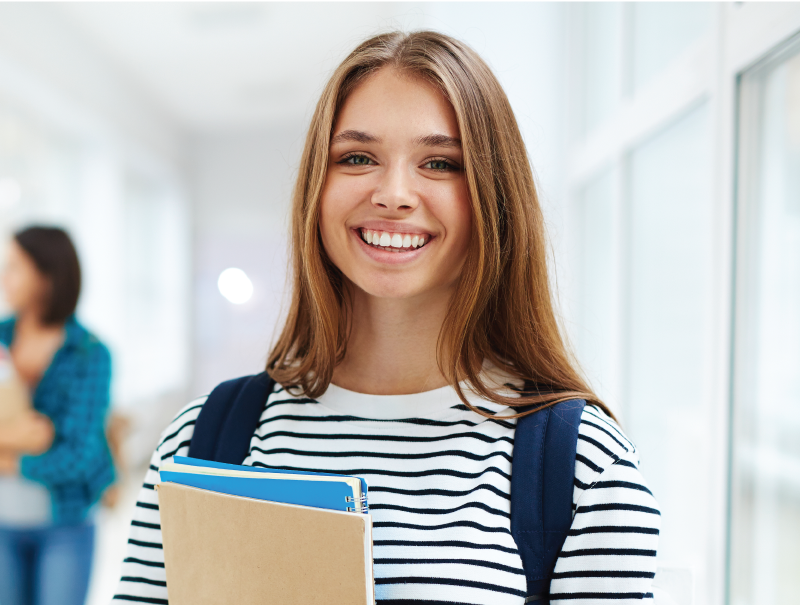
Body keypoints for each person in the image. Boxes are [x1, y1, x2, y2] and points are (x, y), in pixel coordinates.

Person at [114, 31, 660, 604]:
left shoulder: (585, 465)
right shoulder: (203, 440)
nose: (394, 193)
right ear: (316, 190)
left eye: (440, 163)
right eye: (357, 157)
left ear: (494, 198)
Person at [0, 226, 114, 605]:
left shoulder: (90, 353)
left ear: (46, 275)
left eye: (15, 267)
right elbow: (48, 441)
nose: (4, 276)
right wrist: (18, 440)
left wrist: (10, 463)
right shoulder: (1, 339)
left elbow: (80, 457)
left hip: (65, 525)